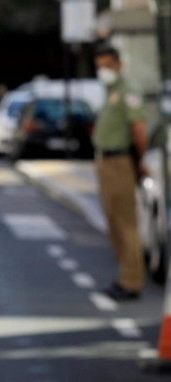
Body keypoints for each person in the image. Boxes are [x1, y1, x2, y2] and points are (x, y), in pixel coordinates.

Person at [93, 43, 148, 301]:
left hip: (120, 162)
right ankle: (124, 277)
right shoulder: (111, 91)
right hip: (106, 163)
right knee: (114, 221)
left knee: (126, 223)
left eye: (107, 65)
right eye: (99, 66)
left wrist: (141, 160)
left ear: (119, 64)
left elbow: (139, 131)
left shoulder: (128, 91)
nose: (103, 71)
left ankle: (131, 281)